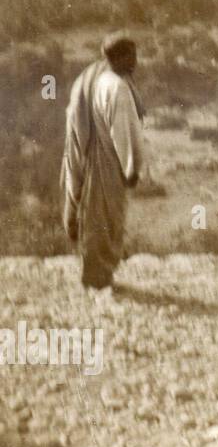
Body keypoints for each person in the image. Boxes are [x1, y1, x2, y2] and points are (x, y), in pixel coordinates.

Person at [62, 33, 146, 291]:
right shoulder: (118, 87)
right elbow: (122, 133)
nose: (135, 61)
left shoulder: (97, 79)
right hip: (109, 164)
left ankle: (97, 275)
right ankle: (99, 278)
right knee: (106, 220)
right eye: (131, 55)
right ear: (117, 57)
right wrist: (131, 168)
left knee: (96, 218)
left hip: (93, 161)